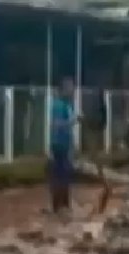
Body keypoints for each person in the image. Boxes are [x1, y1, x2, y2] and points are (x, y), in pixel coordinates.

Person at [48, 76, 82, 215]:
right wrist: (73, 120)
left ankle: (65, 205)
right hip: (58, 144)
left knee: (66, 175)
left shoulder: (69, 104)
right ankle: (58, 207)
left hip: (66, 144)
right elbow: (56, 124)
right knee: (60, 176)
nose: (73, 90)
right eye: (70, 87)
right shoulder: (58, 104)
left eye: (73, 87)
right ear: (63, 89)